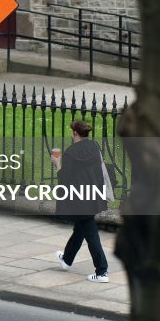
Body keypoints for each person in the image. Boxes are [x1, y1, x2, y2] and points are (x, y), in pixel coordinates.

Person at [51, 119, 109, 282]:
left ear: (75, 133)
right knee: (80, 229)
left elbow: (65, 178)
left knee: (91, 235)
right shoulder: (94, 147)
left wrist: (57, 163)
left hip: (80, 199)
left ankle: (102, 271)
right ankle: (67, 259)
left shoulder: (70, 153)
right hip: (93, 195)